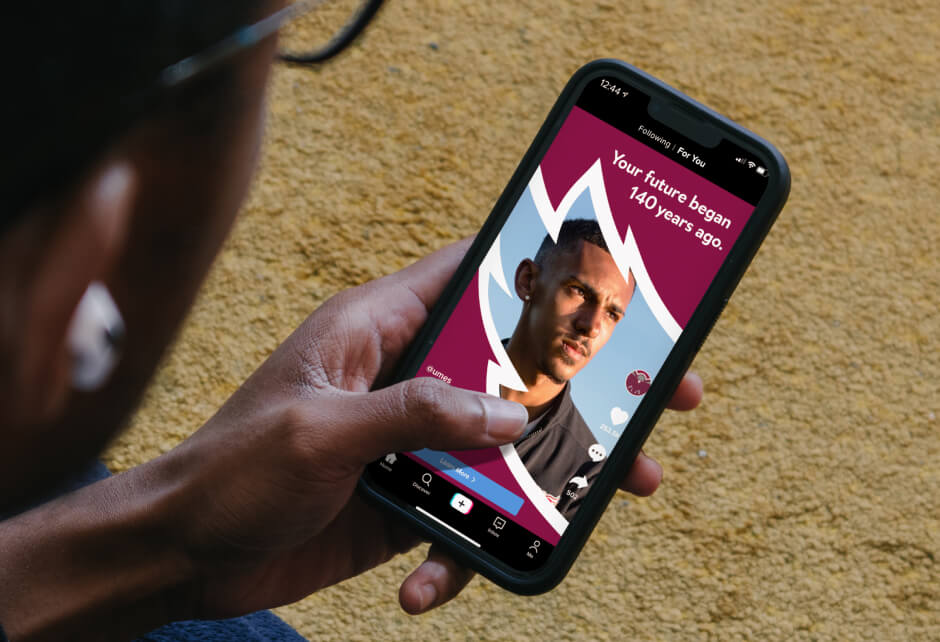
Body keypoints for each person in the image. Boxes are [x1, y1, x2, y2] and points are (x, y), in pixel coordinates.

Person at [0, 1, 703, 639]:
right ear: (68, 283)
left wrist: (174, 546)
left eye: (614, 311)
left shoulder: (579, 459)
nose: (592, 325)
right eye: (277, 51)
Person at [501, 219, 635, 519]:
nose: (590, 326)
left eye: (612, 314)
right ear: (528, 281)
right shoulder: (438, 372)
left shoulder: (586, 466)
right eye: (579, 292)